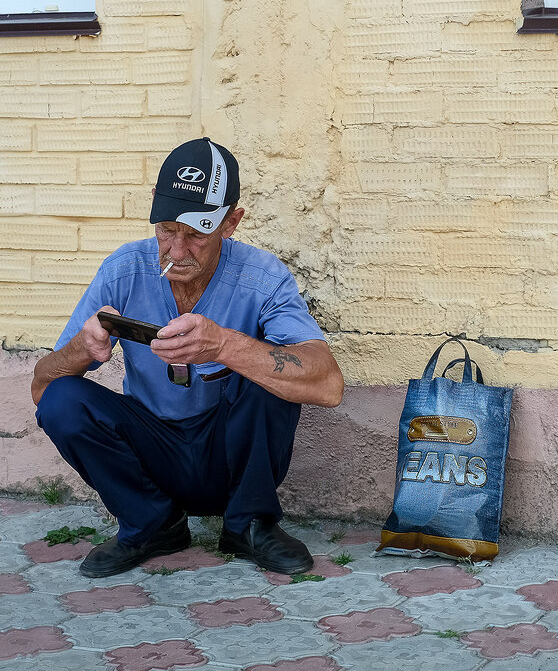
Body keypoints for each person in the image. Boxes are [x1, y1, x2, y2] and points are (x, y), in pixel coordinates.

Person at [31, 137, 344, 578]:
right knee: (63, 398)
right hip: (154, 450)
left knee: (266, 371)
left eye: (196, 234)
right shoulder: (124, 270)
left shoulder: (263, 277)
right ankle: (152, 524)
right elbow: (41, 388)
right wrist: (81, 350)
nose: (177, 251)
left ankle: (248, 524)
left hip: (228, 452)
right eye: (167, 230)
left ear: (230, 223)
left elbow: (329, 386)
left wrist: (225, 346)